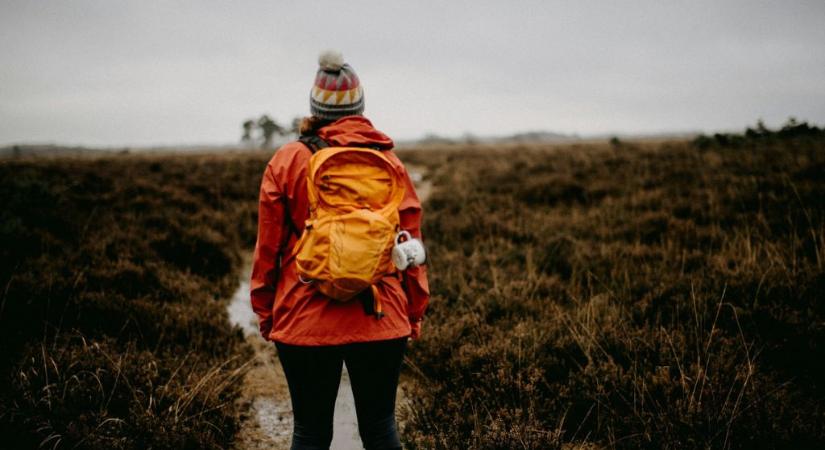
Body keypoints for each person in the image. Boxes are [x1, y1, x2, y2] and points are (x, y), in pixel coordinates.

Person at [250, 50, 429, 450]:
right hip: (381, 314)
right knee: (381, 429)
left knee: (311, 433)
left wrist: (267, 312)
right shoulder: (389, 163)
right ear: (360, 107)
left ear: (314, 107)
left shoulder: (287, 161)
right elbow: (411, 248)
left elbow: (268, 251)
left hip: (303, 316)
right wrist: (413, 311)